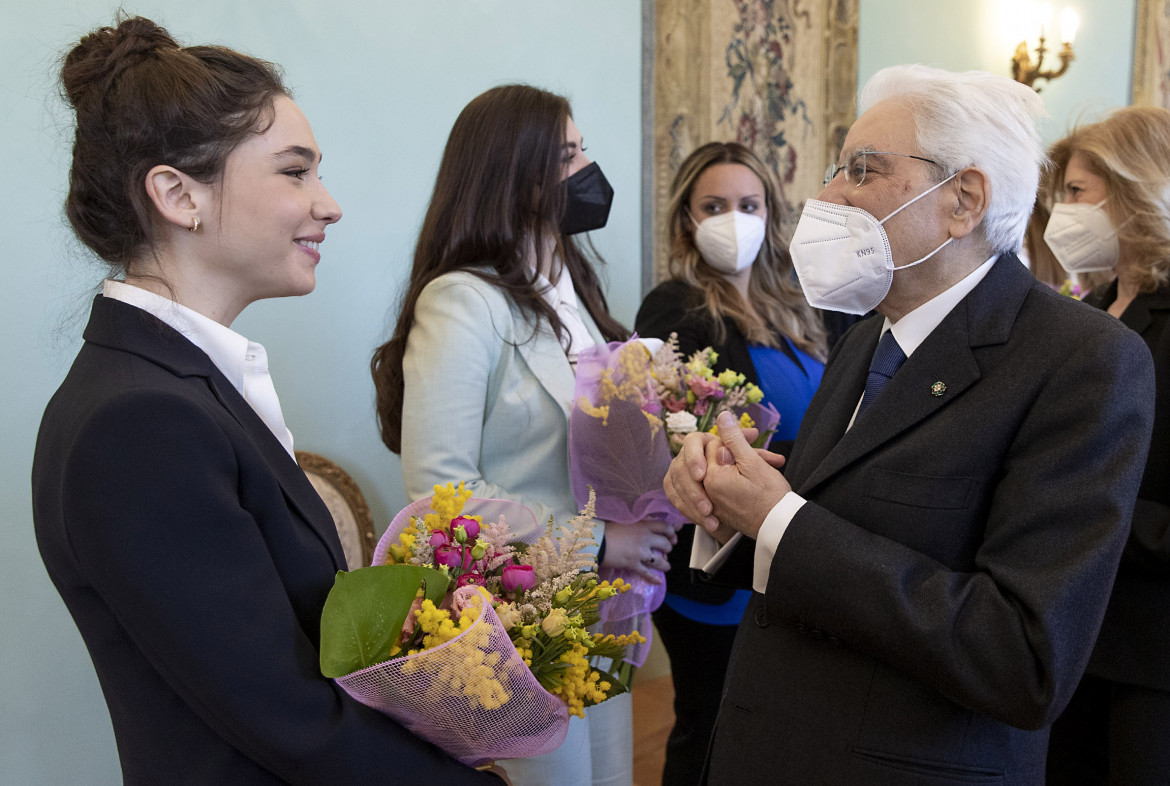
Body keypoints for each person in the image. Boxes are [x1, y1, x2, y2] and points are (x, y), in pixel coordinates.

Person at [31, 16, 502, 785]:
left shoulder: (177, 385)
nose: (328, 204)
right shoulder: (140, 422)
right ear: (179, 195)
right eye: (294, 172)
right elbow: (286, 718)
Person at [663, 65, 1157, 785]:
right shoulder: (869, 333)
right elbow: (838, 504)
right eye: (838, 170)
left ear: (963, 200)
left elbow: (1022, 656)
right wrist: (727, 499)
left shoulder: (1084, 359)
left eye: (862, 171)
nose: (828, 195)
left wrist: (779, 524)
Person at [370, 84, 674, 786]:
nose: (586, 170)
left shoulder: (573, 287)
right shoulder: (462, 300)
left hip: (596, 612)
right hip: (519, 621)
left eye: (583, 148)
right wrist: (600, 540)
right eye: (568, 155)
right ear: (516, 173)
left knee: (609, 774)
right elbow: (439, 489)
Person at [633, 141, 828, 785]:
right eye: (714, 206)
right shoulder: (675, 306)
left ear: (770, 212)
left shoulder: (798, 306)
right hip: (713, 553)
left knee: (774, 733)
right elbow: (680, 431)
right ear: (687, 218)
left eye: (748, 204)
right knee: (710, 726)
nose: (733, 219)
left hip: (792, 543)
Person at [1042, 106, 1170, 785]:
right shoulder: (1082, 318)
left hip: (1151, 650)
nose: (1062, 213)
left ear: (1132, 190)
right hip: (1067, 631)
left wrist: (1095, 512)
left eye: (1075, 193)